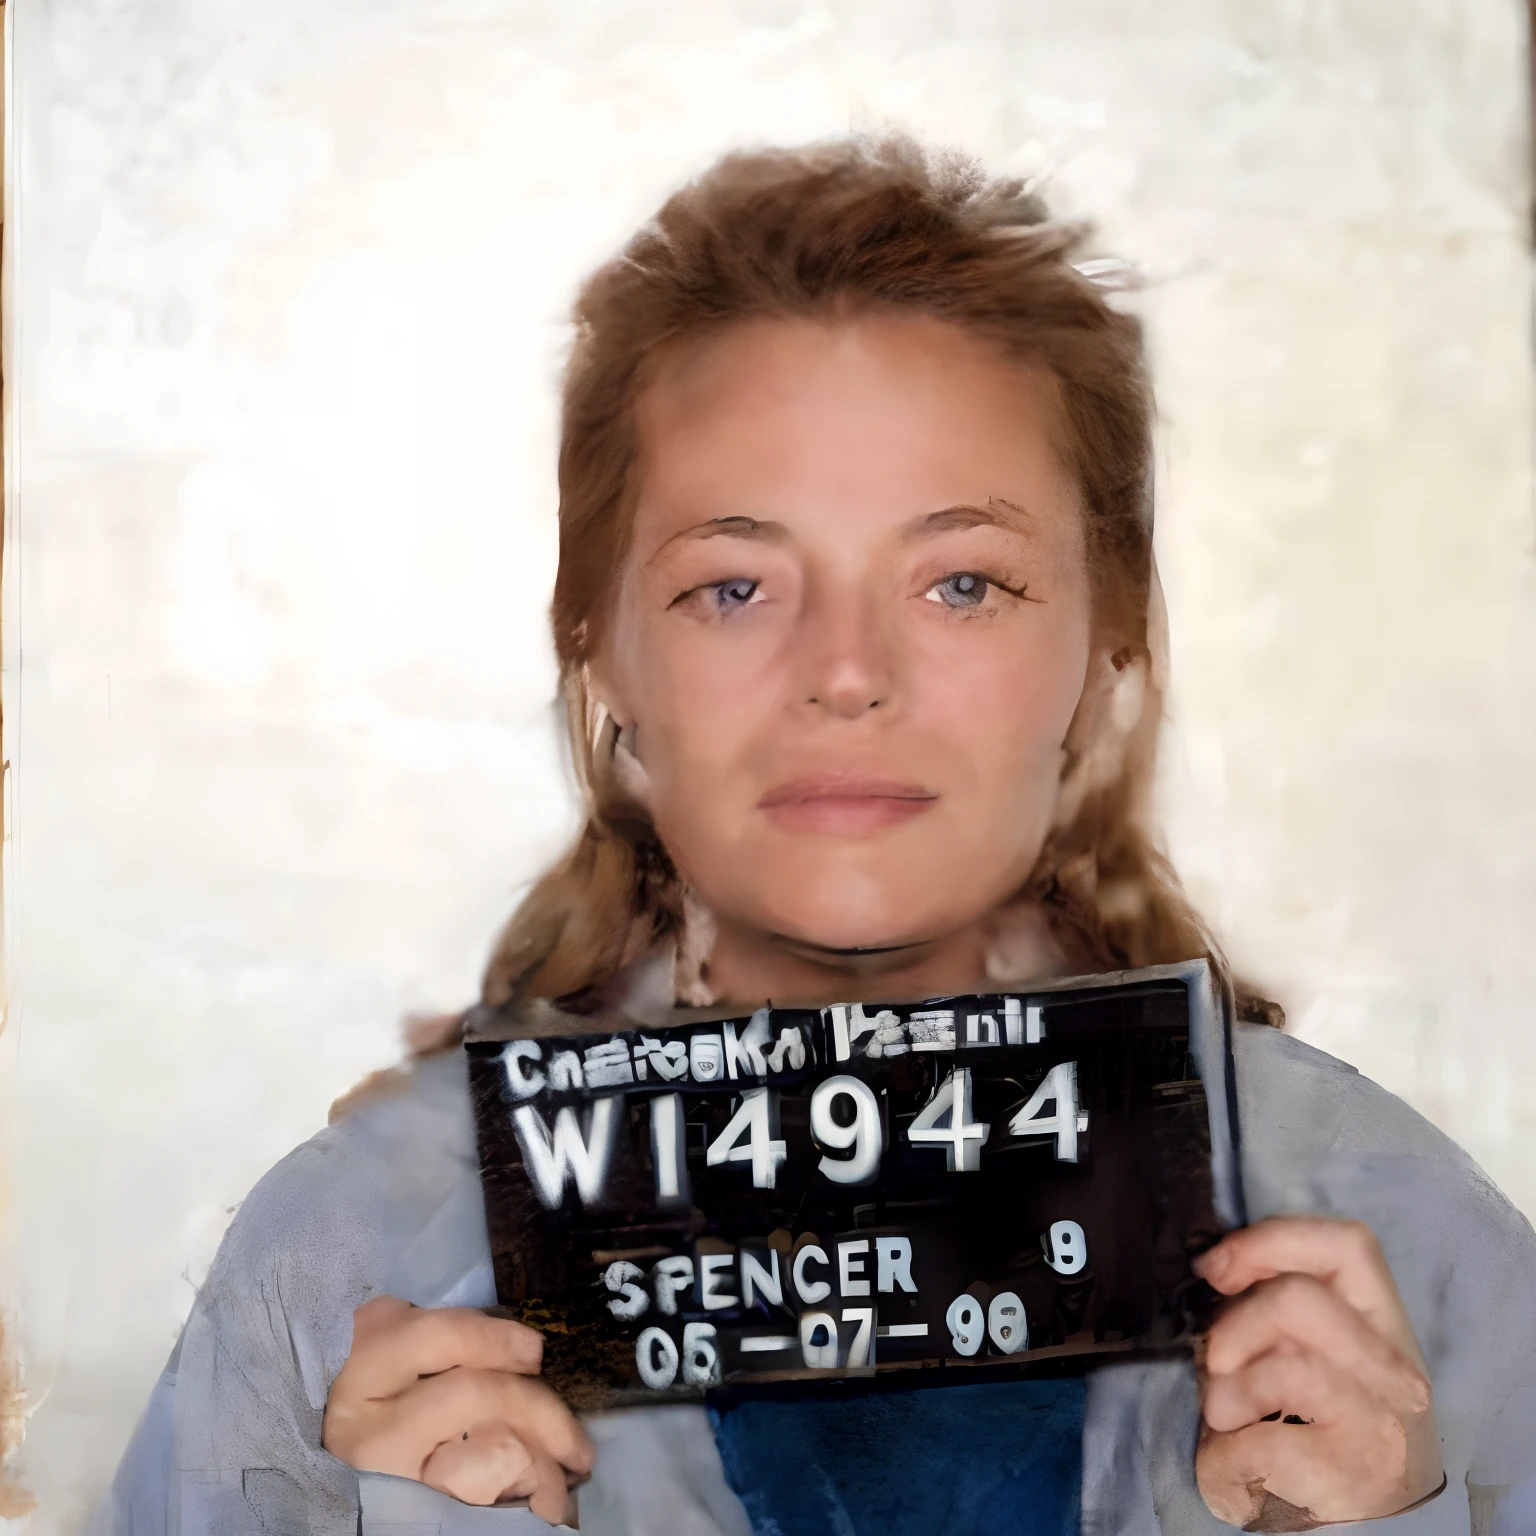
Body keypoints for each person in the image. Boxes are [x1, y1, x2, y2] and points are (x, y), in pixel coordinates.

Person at [94, 136, 1535, 1536]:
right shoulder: (345, 1264)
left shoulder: (1403, 1239)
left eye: (962, 582)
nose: (847, 672)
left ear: (1104, 650)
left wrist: (1393, 1525)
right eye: (734, 587)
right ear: (602, 659)